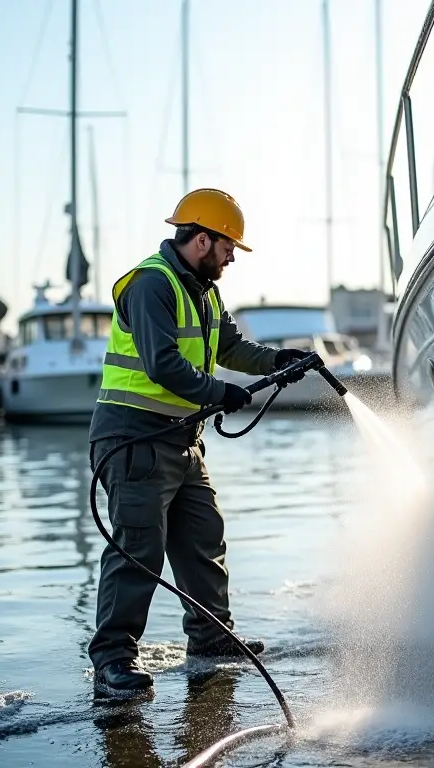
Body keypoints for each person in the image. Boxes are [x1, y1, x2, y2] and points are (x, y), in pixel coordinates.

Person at [87, 188, 308, 696]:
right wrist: (221, 393)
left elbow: (229, 346)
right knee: (138, 548)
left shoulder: (203, 289)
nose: (233, 257)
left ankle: (210, 639)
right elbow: (163, 365)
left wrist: (278, 362)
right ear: (202, 240)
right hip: (133, 437)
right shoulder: (151, 284)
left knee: (203, 539)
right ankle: (113, 661)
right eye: (229, 246)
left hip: (180, 439)